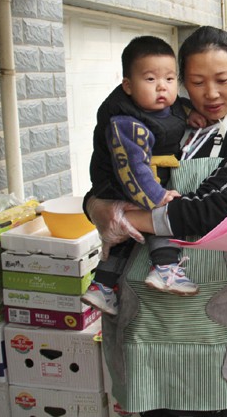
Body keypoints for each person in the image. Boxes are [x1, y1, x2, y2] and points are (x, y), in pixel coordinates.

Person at [85, 26, 227, 416]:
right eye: (196, 82)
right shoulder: (162, 121)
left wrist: (123, 214)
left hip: (207, 315)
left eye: (222, 80)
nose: (211, 93)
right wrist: (97, 207)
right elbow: (102, 184)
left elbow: (210, 210)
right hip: (140, 308)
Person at [81, 35, 202, 316]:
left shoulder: (166, 107)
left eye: (170, 79)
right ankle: (165, 268)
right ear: (128, 85)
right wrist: (158, 198)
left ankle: (102, 286)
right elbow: (133, 169)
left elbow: (175, 109)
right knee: (160, 218)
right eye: (150, 79)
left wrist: (189, 112)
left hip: (134, 185)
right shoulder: (125, 120)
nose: (162, 87)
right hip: (122, 185)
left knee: (124, 235)